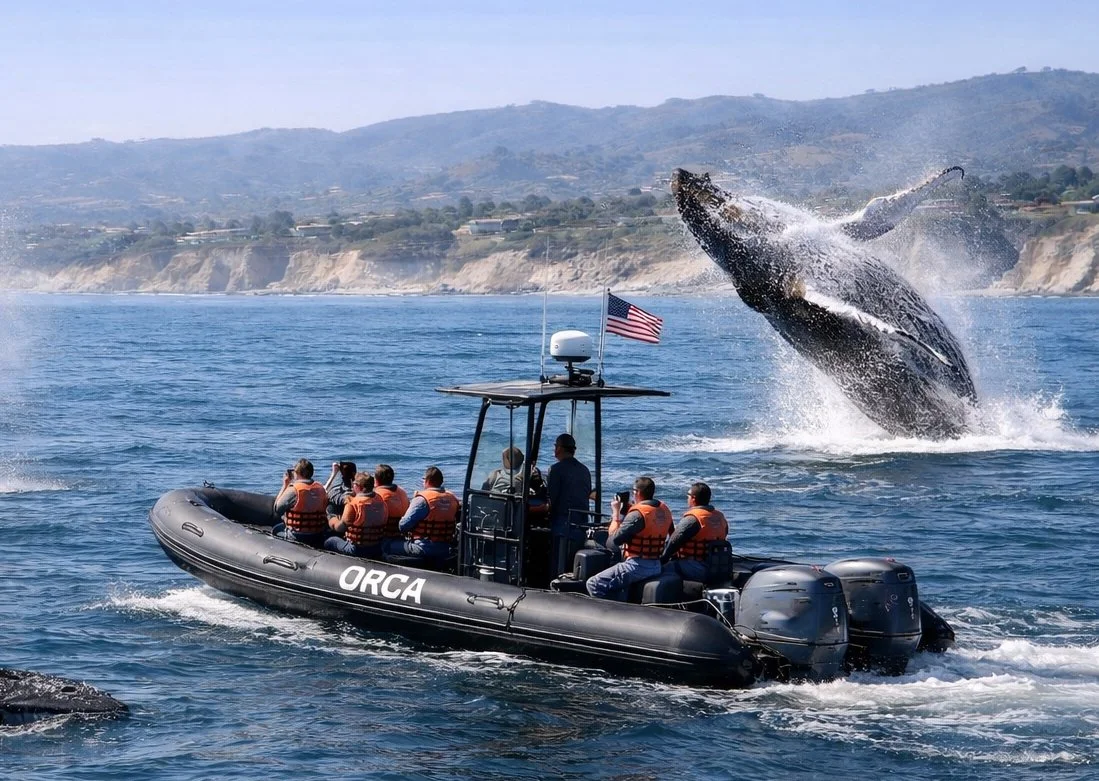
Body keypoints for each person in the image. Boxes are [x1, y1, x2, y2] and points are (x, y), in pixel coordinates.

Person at [586, 476, 672, 600]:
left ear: (637, 493)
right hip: (656, 564)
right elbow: (671, 535)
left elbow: (612, 541)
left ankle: (613, 615)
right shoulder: (664, 510)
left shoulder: (637, 514)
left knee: (594, 584)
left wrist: (616, 512)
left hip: (637, 566)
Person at [383, 466, 458, 565]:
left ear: (427, 481)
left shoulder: (422, 499)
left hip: (422, 548)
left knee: (386, 545)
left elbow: (403, 526)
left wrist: (413, 501)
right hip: (445, 548)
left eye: (423, 479)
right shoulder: (452, 498)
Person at [660, 482, 729, 583]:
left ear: (693, 498)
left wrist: (663, 559)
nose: (687, 499)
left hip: (697, 567)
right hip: (717, 567)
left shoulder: (693, 518)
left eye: (688, 496)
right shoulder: (720, 517)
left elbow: (674, 541)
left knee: (663, 569)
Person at [546, 433, 592, 575]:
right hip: (581, 525)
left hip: (563, 526)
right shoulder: (585, 470)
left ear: (559, 448)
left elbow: (552, 500)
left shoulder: (556, 469)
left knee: (557, 567)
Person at [324, 472, 387, 558]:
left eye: (354, 484)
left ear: (358, 486)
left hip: (357, 549)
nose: (352, 486)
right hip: (377, 547)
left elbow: (339, 528)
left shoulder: (353, 504)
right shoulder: (380, 500)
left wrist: (331, 517)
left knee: (330, 541)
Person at [272, 458, 329, 546]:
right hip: (317, 534)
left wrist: (285, 485)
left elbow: (277, 508)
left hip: (298, 536)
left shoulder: (294, 489)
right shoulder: (320, 488)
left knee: (275, 530)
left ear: (298, 473)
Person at [373, 463, 411, 545]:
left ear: (376, 480)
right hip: (401, 534)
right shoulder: (402, 492)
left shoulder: (376, 495)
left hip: (383, 537)